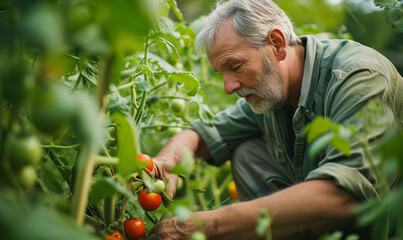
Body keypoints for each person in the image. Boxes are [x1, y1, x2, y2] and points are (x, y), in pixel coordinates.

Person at [145, 0, 403, 239]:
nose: (228, 87)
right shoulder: (272, 91)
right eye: (220, 72)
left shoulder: (357, 78)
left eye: (234, 66)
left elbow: (343, 196)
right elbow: (204, 134)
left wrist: (202, 226)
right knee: (248, 152)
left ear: (277, 44)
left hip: (385, 228)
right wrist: (167, 162)